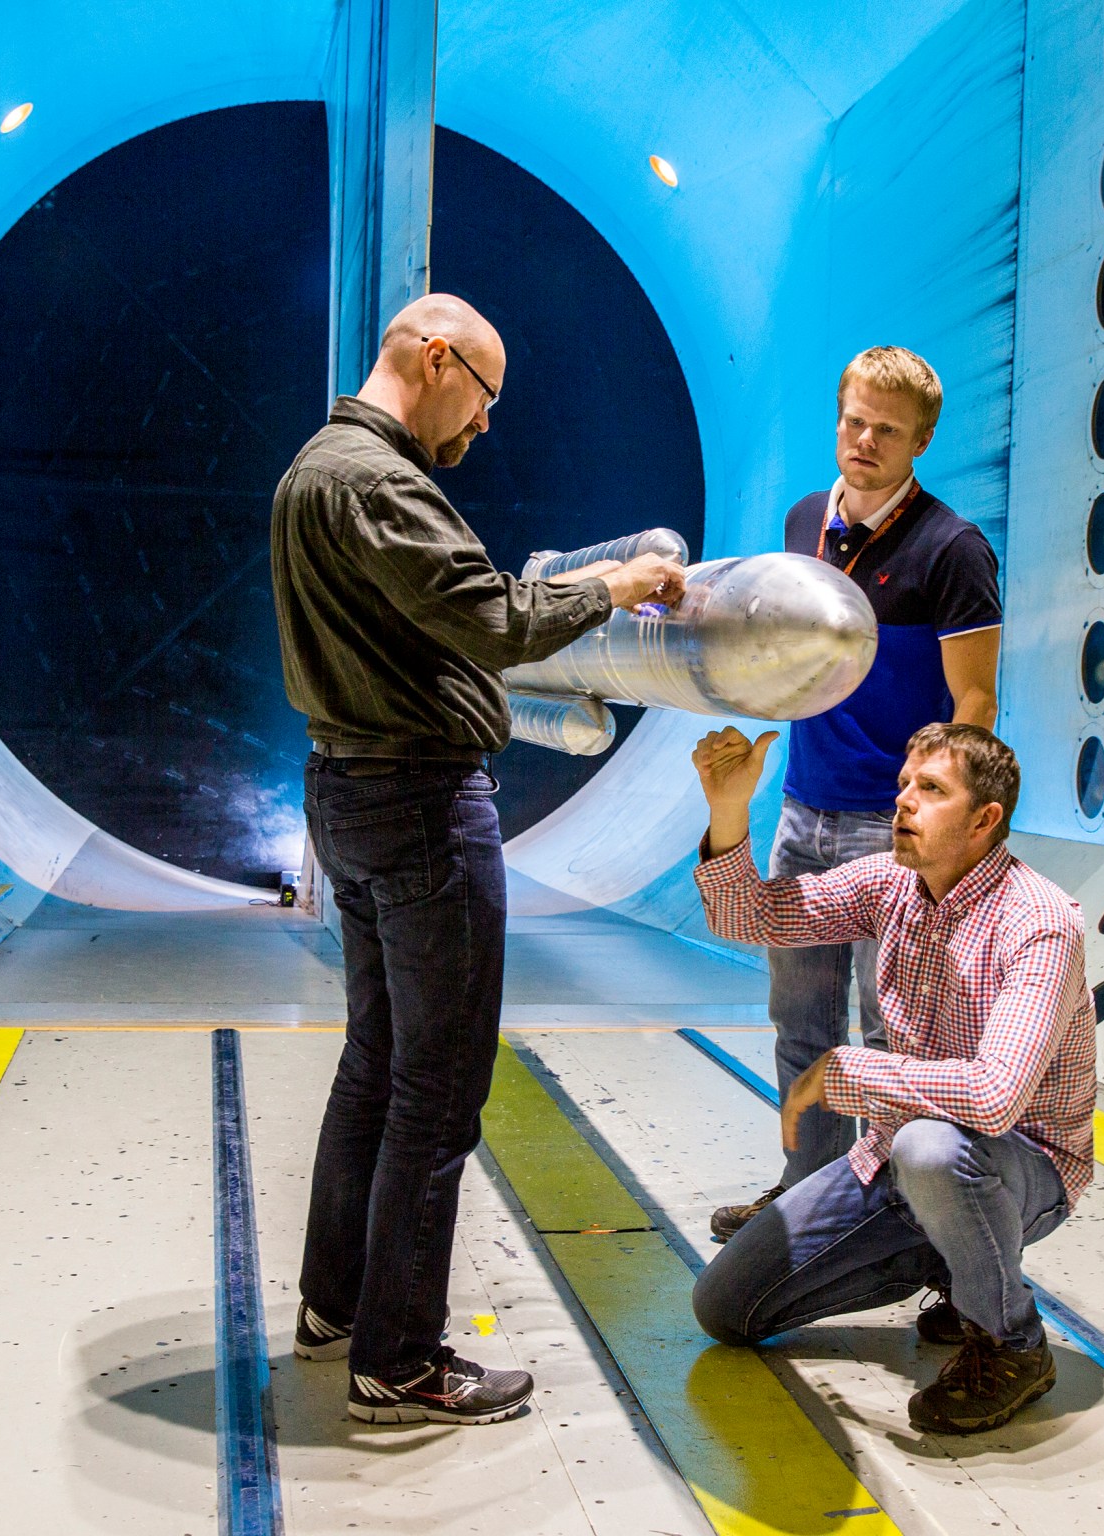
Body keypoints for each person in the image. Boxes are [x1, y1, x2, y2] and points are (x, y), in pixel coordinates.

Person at [269, 292, 685, 1425]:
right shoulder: (376, 480)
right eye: (484, 398)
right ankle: (398, 1360)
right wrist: (620, 584)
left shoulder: (314, 471)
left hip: (348, 789)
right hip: (416, 806)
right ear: (437, 356)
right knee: (437, 1093)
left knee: (376, 1060)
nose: (485, 426)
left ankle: (333, 1305)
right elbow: (495, 619)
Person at [686, 721, 1096, 1434]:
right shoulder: (890, 883)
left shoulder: (1039, 923)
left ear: (984, 819)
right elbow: (747, 915)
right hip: (896, 1161)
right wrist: (727, 811)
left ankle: (1011, 1342)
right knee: (727, 1310)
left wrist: (849, 1070)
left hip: (1022, 1168)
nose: (903, 801)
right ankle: (945, 1260)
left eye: (931, 790)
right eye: (904, 785)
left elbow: (996, 1097)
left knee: (931, 1148)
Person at [713, 346, 1004, 1240]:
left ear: (922, 441)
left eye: (887, 428)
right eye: (854, 420)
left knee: (893, 1039)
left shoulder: (951, 549)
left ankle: (889, 1218)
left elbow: (976, 702)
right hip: (805, 811)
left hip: (895, 832)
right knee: (799, 1022)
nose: (865, 440)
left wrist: (956, 840)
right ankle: (807, 1199)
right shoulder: (806, 520)